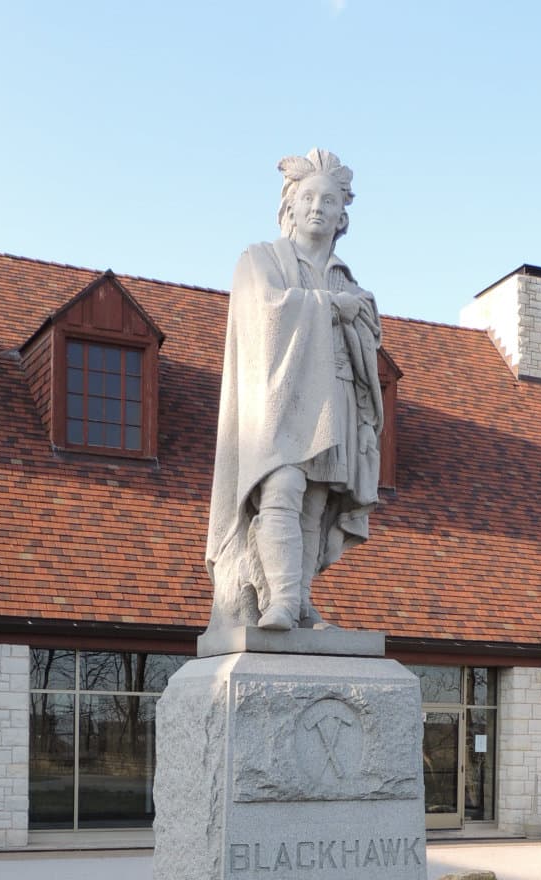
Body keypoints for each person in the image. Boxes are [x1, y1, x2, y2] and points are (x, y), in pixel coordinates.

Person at [205, 148, 383, 632]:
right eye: (308, 198)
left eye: (328, 200)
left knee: (316, 503)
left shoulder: (347, 279)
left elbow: (368, 340)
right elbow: (265, 308)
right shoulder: (260, 259)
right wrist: (332, 308)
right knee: (281, 488)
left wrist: (356, 314)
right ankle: (279, 602)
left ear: (342, 215)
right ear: (290, 205)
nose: (317, 207)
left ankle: (302, 602)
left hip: (335, 395)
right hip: (279, 397)